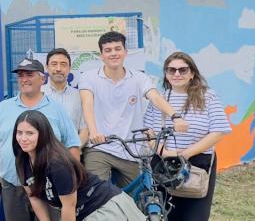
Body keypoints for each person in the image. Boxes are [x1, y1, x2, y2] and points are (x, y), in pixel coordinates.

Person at [143, 52, 230, 221]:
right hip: (164, 165)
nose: (177, 74)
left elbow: (219, 130)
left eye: (182, 69)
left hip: (197, 165)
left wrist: (184, 153)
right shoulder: (160, 99)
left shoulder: (206, 96)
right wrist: (161, 151)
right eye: (171, 70)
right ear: (166, 74)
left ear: (192, 72)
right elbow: (149, 130)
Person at [13, 111, 146, 221]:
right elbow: (34, 197)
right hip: (79, 212)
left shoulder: (57, 163)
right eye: (19, 133)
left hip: (102, 205)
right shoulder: (22, 161)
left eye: (30, 133)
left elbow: (68, 206)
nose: (23, 138)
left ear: (43, 134)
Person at [0, 58, 81, 221]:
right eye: (20, 75)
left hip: (48, 188)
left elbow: (73, 144)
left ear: (42, 79)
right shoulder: (4, 107)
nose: (24, 79)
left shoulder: (56, 108)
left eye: (29, 74)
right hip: (13, 185)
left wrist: (70, 178)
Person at [80, 32, 189, 187]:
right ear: (101, 55)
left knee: (139, 197)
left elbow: (156, 98)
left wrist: (175, 116)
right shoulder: (89, 77)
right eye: (108, 50)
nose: (113, 53)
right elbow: (87, 104)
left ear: (125, 52)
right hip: (100, 147)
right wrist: (94, 131)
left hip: (131, 149)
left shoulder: (139, 78)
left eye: (118, 49)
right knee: (96, 191)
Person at [43, 48, 89, 144]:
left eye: (63, 64)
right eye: (54, 64)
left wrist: (72, 152)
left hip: (71, 153)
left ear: (69, 68)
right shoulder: (38, 93)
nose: (58, 69)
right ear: (47, 67)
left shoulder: (79, 96)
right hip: (43, 153)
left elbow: (85, 130)